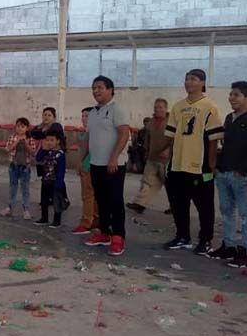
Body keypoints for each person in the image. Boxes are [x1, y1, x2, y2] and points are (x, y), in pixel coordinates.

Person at [163, 69, 224, 256]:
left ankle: (205, 241)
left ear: (202, 82)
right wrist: (170, 156)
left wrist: (211, 165)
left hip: (200, 165)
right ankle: (183, 237)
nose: (189, 82)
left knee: (204, 206)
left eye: (193, 79)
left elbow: (214, 139)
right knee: (178, 204)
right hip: (177, 165)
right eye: (187, 79)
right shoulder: (177, 106)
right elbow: (172, 135)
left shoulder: (209, 106)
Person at [78, 75, 130, 256]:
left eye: (100, 87)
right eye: (94, 88)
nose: (96, 91)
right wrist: (81, 159)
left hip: (114, 165)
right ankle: (104, 233)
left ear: (110, 89)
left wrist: (114, 158)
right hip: (95, 164)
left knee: (115, 201)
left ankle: (118, 237)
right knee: (101, 201)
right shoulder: (92, 113)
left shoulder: (117, 110)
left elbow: (124, 135)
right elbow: (88, 139)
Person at [207, 81, 247, 268]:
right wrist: (217, 167)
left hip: (245, 176)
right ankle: (228, 246)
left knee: (246, 215)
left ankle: (245, 252)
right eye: (230, 94)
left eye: (236, 95)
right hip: (225, 173)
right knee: (227, 212)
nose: (231, 98)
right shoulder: (230, 118)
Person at [126, 99, 174, 214]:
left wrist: (169, 150)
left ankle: (176, 206)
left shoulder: (172, 121)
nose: (158, 109)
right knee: (147, 181)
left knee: (171, 184)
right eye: (156, 107)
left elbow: (177, 138)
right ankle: (140, 204)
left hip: (166, 160)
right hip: (152, 157)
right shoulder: (151, 121)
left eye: (160, 107)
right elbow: (147, 137)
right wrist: (146, 151)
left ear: (166, 108)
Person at [31, 107, 70, 205]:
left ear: (54, 117)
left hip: (55, 156)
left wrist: (42, 133)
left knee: (57, 176)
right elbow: (33, 133)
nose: (46, 117)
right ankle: (46, 199)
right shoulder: (40, 126)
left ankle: (62, 197)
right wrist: (40, 132)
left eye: (49, 115)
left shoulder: (56, 126)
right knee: (45, 176)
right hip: (44, 154)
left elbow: (47, 134)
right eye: (44, 114)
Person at [0, 117, 36, 220]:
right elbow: (7, 149)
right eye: (18, 126)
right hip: (14, 166)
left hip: (25, 167)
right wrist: (16, 142)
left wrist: (25, 143)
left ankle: (26, 210)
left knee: (25, 189)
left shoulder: (30, 139)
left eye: (23, 126)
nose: (20, 129)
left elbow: (33, 153)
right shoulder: (13, 137)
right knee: (12, 188)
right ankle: (10, 208)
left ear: (27, 128)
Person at [72, 107, 98, 235]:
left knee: (88, 196)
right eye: (82, 116)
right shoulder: (85, 133)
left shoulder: (92, 133)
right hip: (87, 167)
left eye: (87, 116)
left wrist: (80, 164)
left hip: (90, 167)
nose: (83, 118)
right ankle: (94, 220)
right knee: (93, 196)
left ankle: (86, 222)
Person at [33, 130, 67, 228]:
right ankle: (44, 218)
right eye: (47, 140)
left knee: (57, 202)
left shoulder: (60, 154)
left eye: (52, 140)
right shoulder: (46, 152)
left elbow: (61, 169)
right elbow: (38, 158)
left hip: (55, 181)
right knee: (44, 201)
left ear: (58, 141)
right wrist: (43, 149)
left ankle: (57, 221)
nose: (49, 142)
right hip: (45, 180)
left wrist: (59, 183)